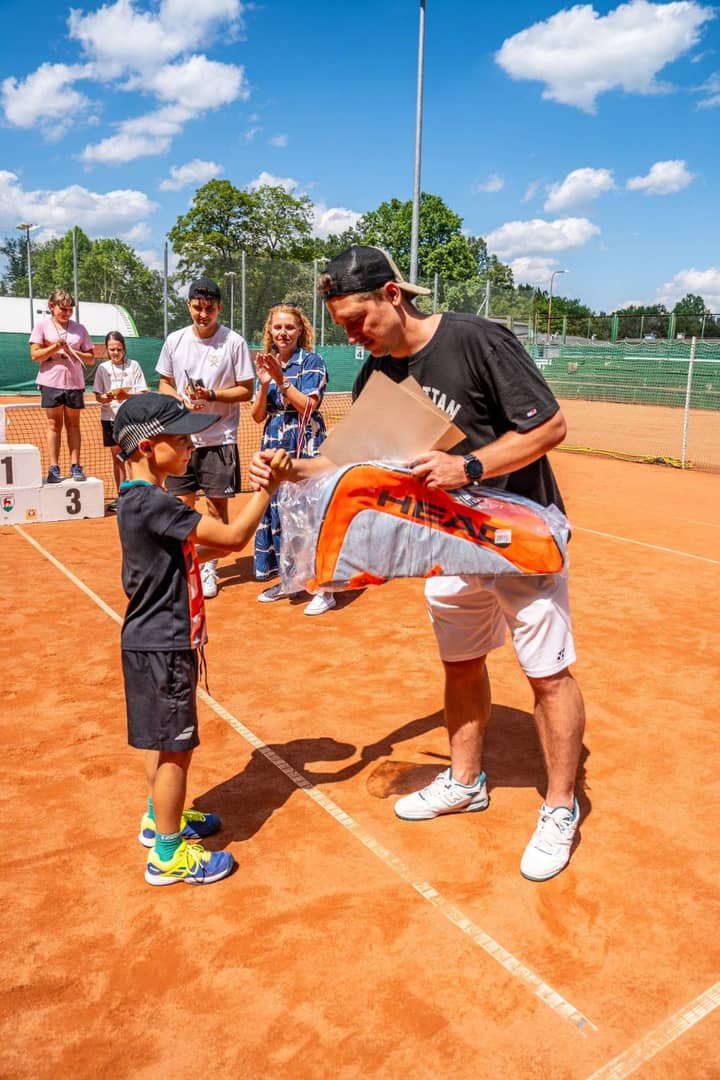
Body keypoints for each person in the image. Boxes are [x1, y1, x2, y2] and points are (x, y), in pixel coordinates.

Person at [251, 245, 586, 882]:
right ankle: (465, 780)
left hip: (517, 535)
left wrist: (470, 466)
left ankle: (560, 807)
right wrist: (291, 469)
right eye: (342, 327)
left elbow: (549, 428)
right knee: (460, 665)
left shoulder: (477, 339)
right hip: (446, 546)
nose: (353, 336)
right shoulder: (376, 374)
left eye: (358, 321)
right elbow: (349, 462)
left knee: (547, 675)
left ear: (392, 295)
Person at [113, 392, 291, 886]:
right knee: (175, 748)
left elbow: (184, 556)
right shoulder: (155, 502)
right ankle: (168, 854)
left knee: (160, 739)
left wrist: (212, 551)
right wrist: (268, 488)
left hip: (150, 642)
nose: (192, 446)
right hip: (165, 645)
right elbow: (234, 538)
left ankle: (159, 818)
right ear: (147, 447)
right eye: (182, 439)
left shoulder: (134, 500)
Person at [156, 277, 254, 599]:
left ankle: (209, 568)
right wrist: (180, 401)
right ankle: (185, 566)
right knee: (181, 507)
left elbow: (246, 389)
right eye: (197, 308)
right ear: (189, 306)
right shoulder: (175, 340)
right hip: (181, 438)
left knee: (215, 509)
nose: (202, 314)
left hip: (219, 438)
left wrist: (212, 394)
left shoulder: (234, 343)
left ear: (219, 308)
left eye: (209, 308)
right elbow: (164, 382)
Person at [251, 303, 334, 616]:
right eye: (278, 327)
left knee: (309, 515)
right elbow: (258, 415)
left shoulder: (312, 361)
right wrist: (264, 384)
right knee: (278, 513)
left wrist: (282, 380)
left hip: (304, 445)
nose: (283, 333)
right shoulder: (268, 363)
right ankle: (290, 580)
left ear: (300, 331)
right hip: (273, 443)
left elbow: (309, 407)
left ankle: (324, 589)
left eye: (289, 327)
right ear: (270, 331)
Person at [29, 288, 95, 483]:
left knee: (73, 425)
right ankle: (54, 468)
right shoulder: (41, 326)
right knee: (54, 425)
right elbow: (35, 355)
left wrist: (73, 351)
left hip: (75, 383)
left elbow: (91, 358)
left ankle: (76, 466)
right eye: (63, 309)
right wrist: (55, 347)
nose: (67, 313)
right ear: (52, 306)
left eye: (70, 309)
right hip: (50, 382)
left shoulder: (80, 329)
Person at [93, 331, 148, 512]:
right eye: (112, 350)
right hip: (110, 419)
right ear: (107, 350)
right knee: (118, 458)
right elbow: (98, 395)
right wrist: (105, 398)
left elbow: (143, 392)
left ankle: (140, 495)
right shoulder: (102, 368)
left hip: (132, 419)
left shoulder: (134, 366)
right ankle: (122, 496)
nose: (115, 353)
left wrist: (127, 396)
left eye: (118, 349)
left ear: (124, 348)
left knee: (135, 457)